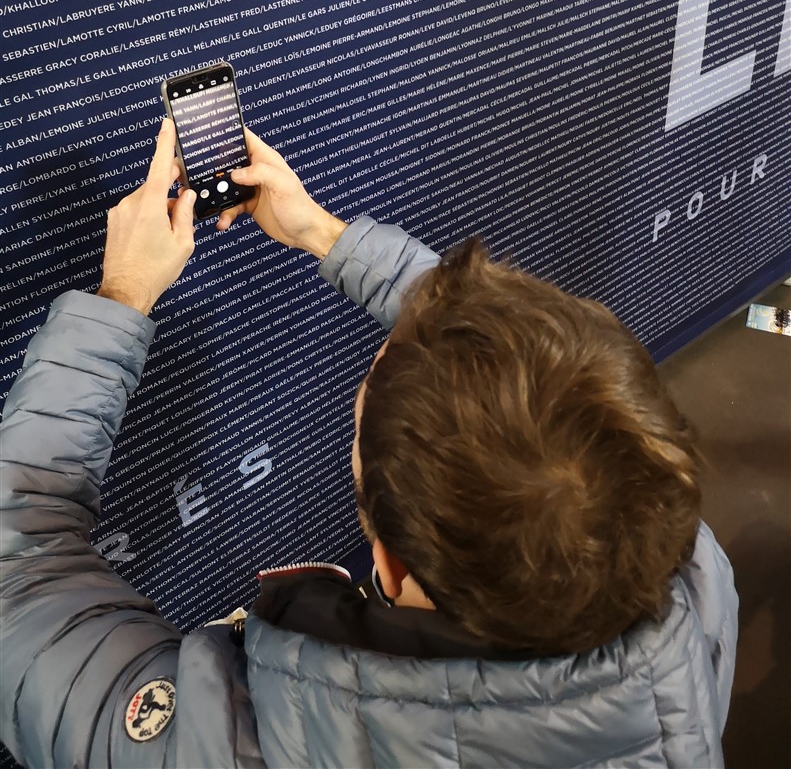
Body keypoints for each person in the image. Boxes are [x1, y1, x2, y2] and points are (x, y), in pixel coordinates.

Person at [0, 118, 737, 769]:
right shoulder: (687, 577)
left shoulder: (232, 746)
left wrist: (121, 298)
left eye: (368, 402)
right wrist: (322, 233)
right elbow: (509, 365)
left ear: (389, 564)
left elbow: (15, 570)